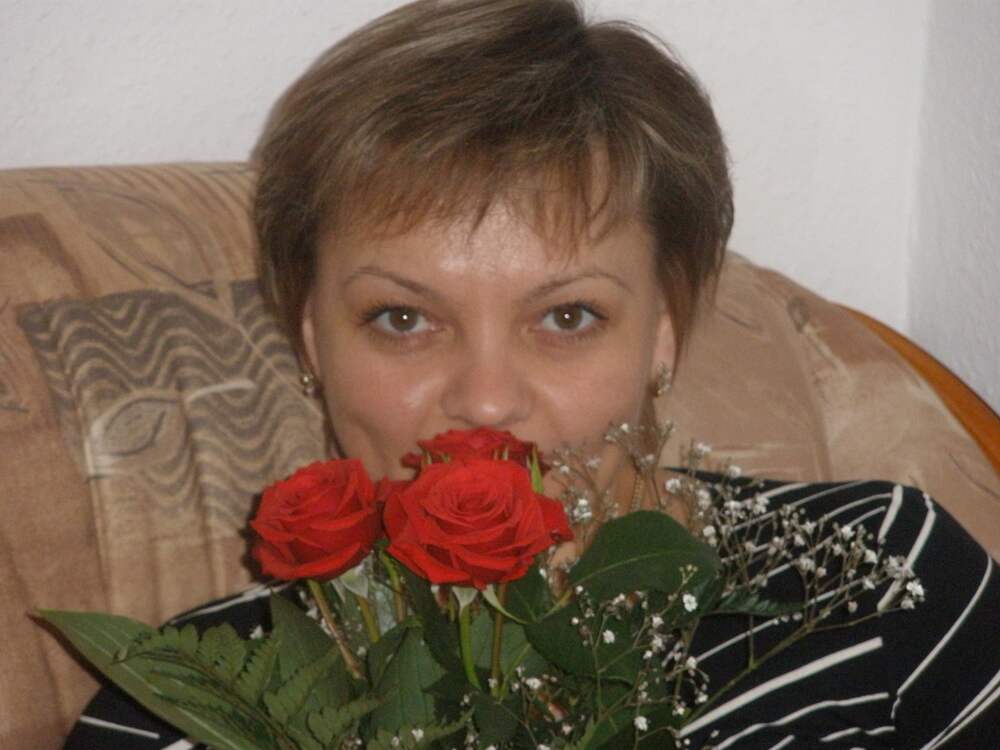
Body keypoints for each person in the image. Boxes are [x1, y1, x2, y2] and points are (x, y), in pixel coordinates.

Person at [64, 1, 1000, 748]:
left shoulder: (882, 579)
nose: (485, 399)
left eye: (567, 316)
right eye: (403, 318)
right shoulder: (180, 706)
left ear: (663, 332)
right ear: (312, 342)